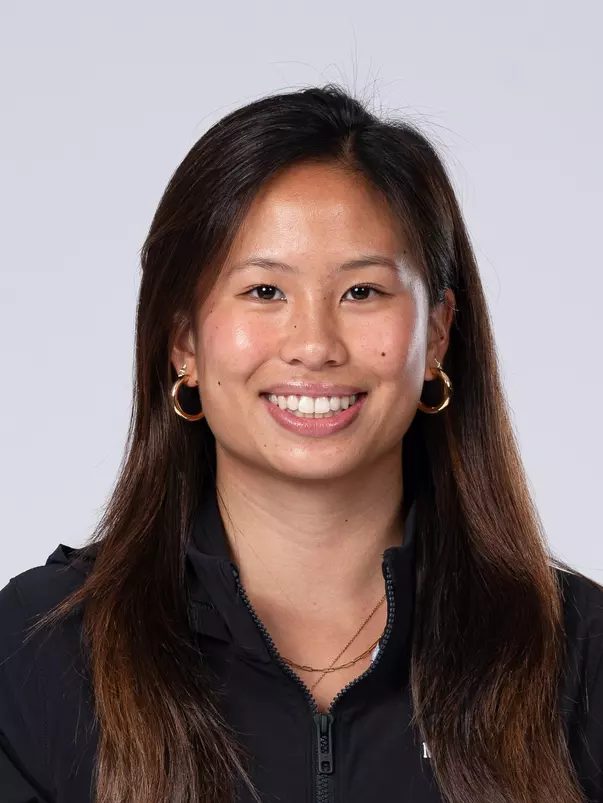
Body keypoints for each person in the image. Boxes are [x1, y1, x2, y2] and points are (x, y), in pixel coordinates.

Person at [0, 84, 601, 803]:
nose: (313, 345)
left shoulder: (578, 654)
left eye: (362, 292)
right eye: (263, 292)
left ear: (436, 333)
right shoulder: (41, 648)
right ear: (184, 338)